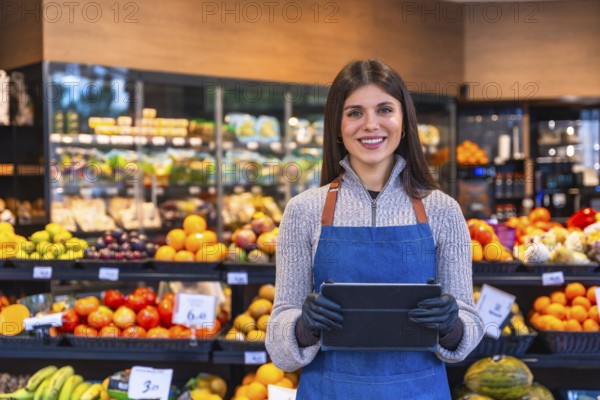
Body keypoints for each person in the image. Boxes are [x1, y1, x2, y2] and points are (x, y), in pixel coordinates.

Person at [265, 59, 484, 398]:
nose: (371, 125)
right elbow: (278, 338)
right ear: (337, 126)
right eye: (354, 113)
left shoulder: (443, 211)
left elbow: (469, 327)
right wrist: (303, 327)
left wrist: (451, 325)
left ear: (404, 121)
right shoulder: (303, 211)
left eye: (384, 109)